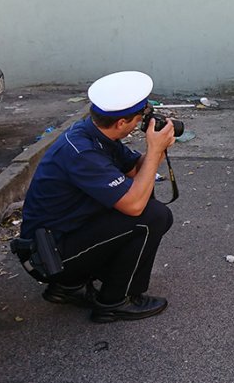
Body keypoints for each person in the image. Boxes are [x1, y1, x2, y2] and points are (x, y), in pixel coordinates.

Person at [19, 71, 176, 323]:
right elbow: (135, 205)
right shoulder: (82, 153)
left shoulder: (95, 133)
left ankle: (68, 288)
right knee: (152, 216)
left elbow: (136, 169)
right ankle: (114, 302)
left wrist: (156, 147)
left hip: (62, 239)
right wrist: (155, 149)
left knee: (147, 208)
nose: (139, 124)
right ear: (121, 123)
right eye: (137, 119)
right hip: (50, 257)